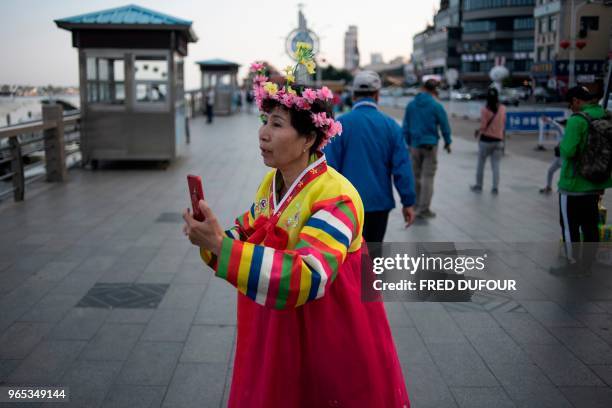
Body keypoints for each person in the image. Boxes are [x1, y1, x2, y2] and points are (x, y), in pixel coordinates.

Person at [182, 54, 409, 407]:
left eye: (276, 124)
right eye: (264, 121)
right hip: (283, 327)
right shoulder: (271, 184)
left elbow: (310, 274)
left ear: (309, 139)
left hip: (330, 329)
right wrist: (213, 238)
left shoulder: (338, 197)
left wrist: (220, 248)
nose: (263, 133)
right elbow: (248, 230)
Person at [324, 70, 416, 243]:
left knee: (348, 259)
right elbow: (402, 168)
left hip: (346, 206)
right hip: (379, 204)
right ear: (377, 95)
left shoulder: (340, 125)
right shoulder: (391, 126)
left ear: (353, 95)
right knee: (373, 256)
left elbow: (328, 167)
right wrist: (408, 202)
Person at [550, 86, 612, 277]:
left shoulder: (577, 120)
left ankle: (572, 263)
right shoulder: (603, 116)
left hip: (573, 184)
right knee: (591, 227)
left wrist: (561, 146)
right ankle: (586, 266)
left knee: (570, 227)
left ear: (577, 101)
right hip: (596, 182)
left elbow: (568, 151)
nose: (571, 108)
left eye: (571, 104)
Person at [402, 79, 452, 218]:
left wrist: (406, 144)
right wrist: (448, 142)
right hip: (430, 145)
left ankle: (416, 204)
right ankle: (424, 209)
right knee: (427, 177)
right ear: (435, 91)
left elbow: (405, 127)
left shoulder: (411, 105)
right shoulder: (436, 106)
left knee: (415, 176)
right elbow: (444, 125)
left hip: (414, 146)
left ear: (423, 88)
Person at [470, 87, 506, 194]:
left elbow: (483, 125)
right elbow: (504, 122)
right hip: (499, 140)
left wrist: (478, 130)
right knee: (496, 166)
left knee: (481, 164)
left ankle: (479, 185)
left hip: (485, 141)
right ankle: (495, 188)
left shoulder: (485, 109)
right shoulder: (503, 108)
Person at [539, 117, 567, 194]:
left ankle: (564, 189)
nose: (561, 125)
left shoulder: (565, 132)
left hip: (564, 158)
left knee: (564, 174)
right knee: (550, 171)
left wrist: (550, 120)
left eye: (563, 123)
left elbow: (558, 126)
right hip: (558, 158)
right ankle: (549, 187)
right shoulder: (563, 132)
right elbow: (558, 126)